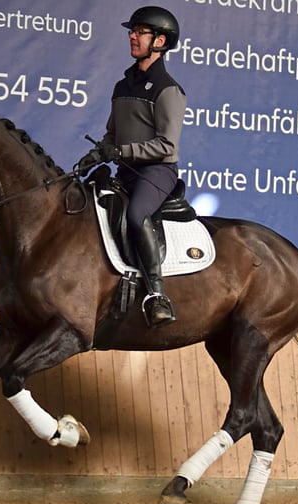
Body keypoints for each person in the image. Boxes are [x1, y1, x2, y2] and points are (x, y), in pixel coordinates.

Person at [78, 6, 185, 328]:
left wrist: (121, 150)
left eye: (140, 32)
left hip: (156, 172)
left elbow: (167, 146)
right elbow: (112, 134)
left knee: (137, 215)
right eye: (132, 31)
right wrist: (97, 154)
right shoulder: (122, 86)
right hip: (126, 172)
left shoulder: (168, 90)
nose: (132, 36)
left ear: (160, 41)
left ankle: (157, 295)